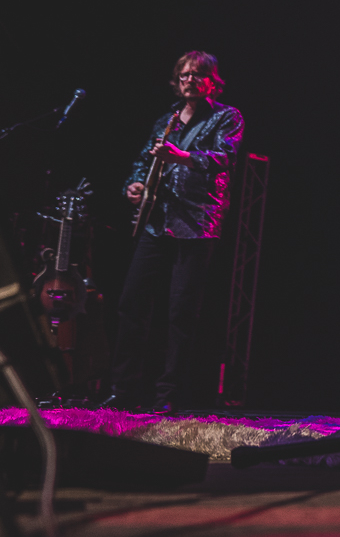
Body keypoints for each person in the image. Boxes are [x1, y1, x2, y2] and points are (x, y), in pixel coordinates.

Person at [104, 51, 243, 411]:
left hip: (196, 224)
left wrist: (180, 156)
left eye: (198, 75)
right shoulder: (166, 119)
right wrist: (133, 186)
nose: (190, 80)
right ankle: (123, 390)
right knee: (131, 303)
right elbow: (143, 160)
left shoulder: (227, 117)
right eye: (184, 75)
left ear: (213, 80)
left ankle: (168, 396)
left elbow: (224, 158)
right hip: (157, 219)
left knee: (181, 312)